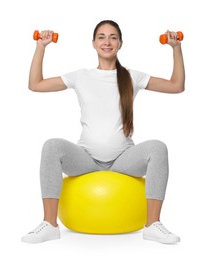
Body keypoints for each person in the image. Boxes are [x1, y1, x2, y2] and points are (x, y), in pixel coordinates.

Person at [21, 20, 185, 244]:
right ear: (93, 43)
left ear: (120, 44)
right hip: (86, 159)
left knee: (158, 148)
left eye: (113, 37)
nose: (107, 42)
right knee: (51, 146)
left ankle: (152, 224)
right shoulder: (80, 76)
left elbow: (177, 85)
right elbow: (35, 84)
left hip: (122, 161)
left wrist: (176, 49)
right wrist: (41, 46)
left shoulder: (132, 76)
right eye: (101, 37)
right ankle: (49, 224)